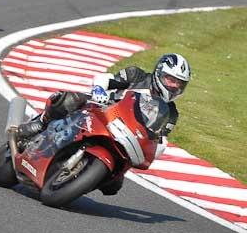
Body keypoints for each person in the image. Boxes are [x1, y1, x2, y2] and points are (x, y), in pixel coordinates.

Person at [14, 53, 192, 195]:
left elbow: (159, 139)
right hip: (102, 111)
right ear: (159, 73)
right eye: (171, 79)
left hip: (126, 137)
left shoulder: (171, 113)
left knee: (113, 187)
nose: (174, 86)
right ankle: (41, 123)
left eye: (179, 83)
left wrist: (155, 147)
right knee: (68, 100)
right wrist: (99, 90)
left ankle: (77, 179)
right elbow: (106, 79)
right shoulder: (136, 75)